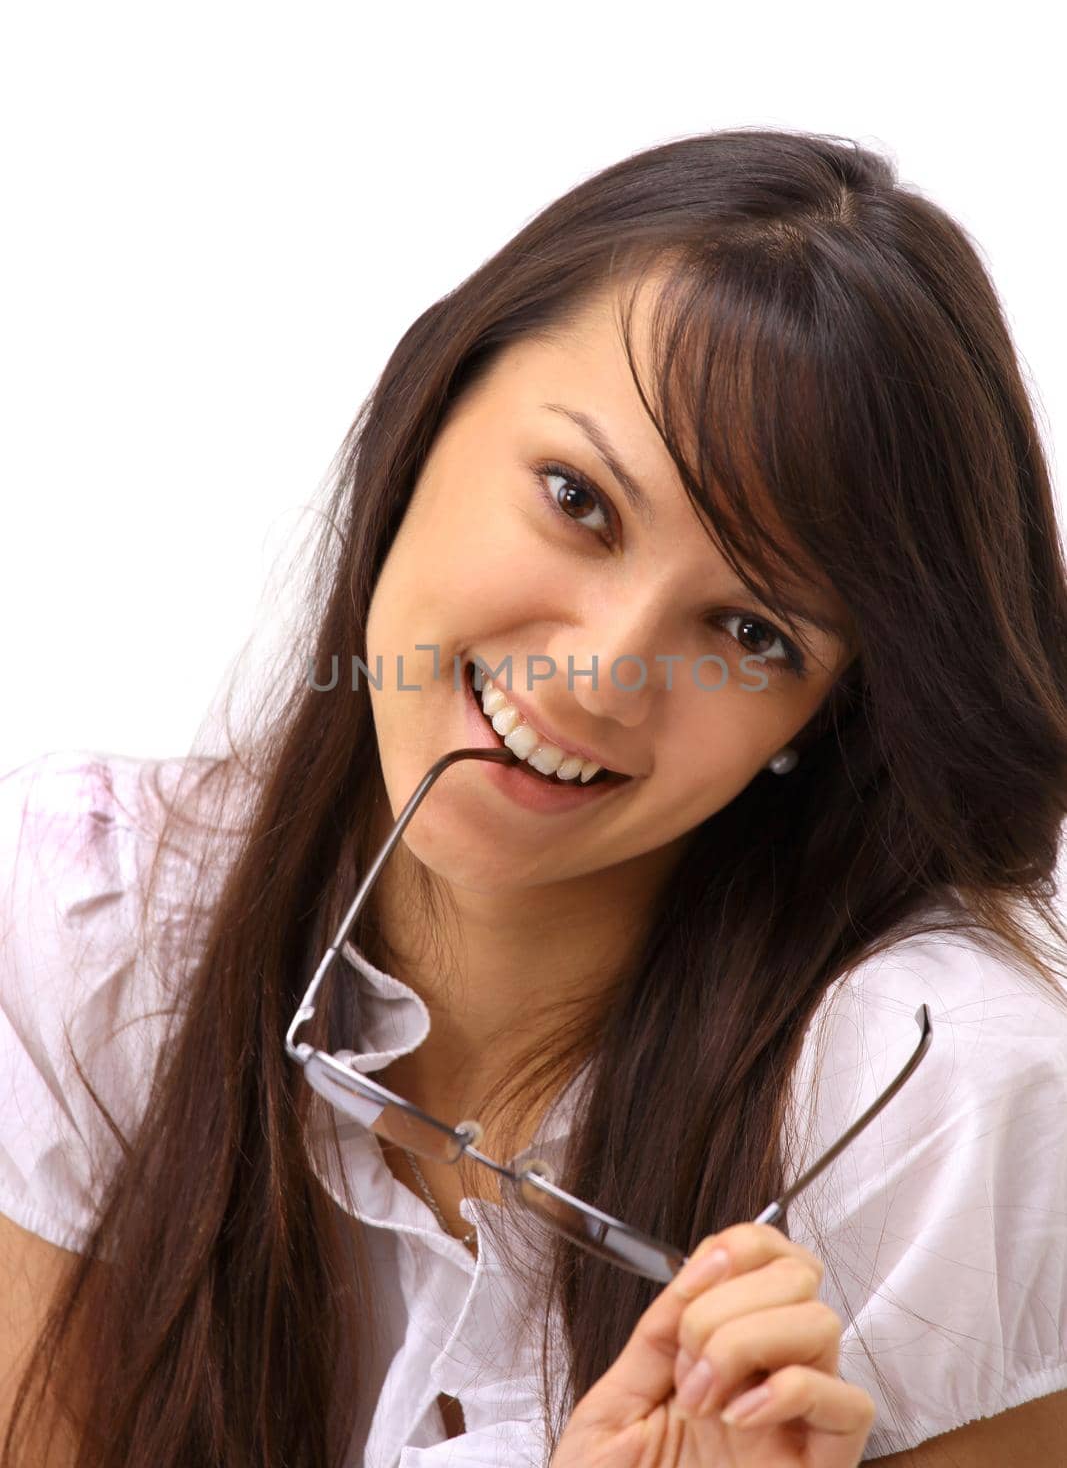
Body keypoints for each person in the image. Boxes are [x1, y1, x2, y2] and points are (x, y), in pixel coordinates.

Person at [2, 128, 1066, 1467]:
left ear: (824, 717)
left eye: (752, 633)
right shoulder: (100, 922)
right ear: (434, 403)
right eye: (579, 500)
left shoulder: (938, 1114)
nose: (602, 673)